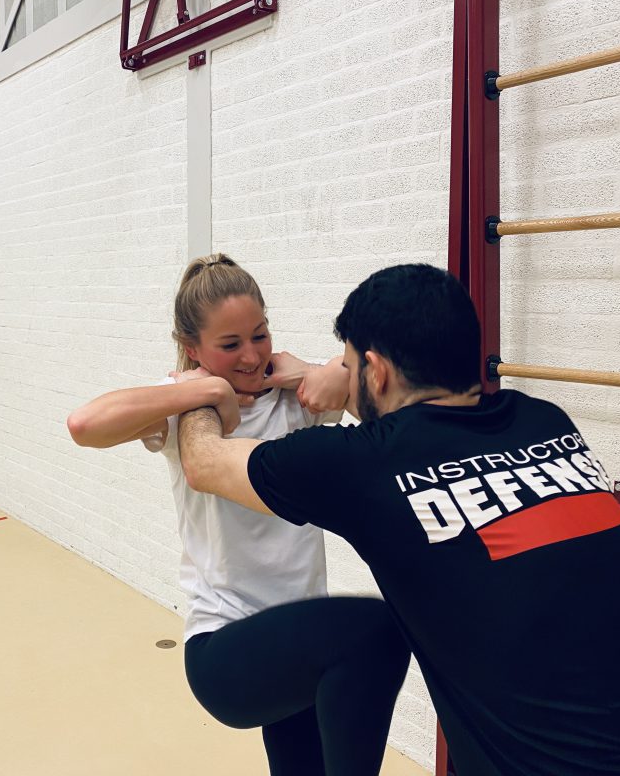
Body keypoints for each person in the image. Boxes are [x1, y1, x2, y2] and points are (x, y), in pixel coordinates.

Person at [178, 263, 620, 776]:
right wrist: (330, 374)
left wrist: (199, 389)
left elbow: (204, 463)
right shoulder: (546, 422)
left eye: (347, 366)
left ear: (377, 371)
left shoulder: (359, 465)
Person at [67, 254, 410, 776]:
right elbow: (84, 423)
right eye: (230, 345)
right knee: (377, 633)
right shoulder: (185, 409)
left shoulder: (296, 402)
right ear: (193, 349)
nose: (251, 356)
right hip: (224, 649)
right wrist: (203, 389)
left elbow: (411, 431)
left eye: (260, 335)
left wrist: (319, 373)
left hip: (302, 643)